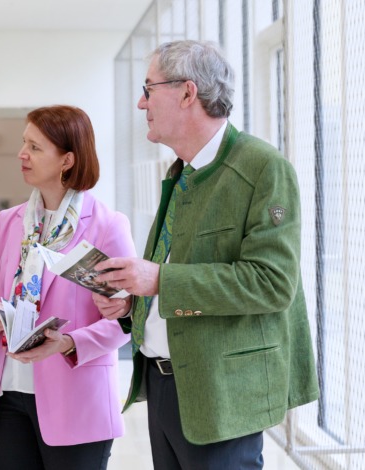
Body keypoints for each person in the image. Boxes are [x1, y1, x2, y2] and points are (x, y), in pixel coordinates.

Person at [92, 40, 319, 469]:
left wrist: (158, 281)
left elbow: (271, 284)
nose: (141, 103)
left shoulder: (262, 168)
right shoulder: (181, 172)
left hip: (223, 397)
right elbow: (180, 268)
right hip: (163, 388)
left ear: (187, 93)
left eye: (148, 88)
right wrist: (131, 304)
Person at [0, 105, 136, 470]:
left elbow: (126, 318)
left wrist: (68, 343)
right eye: (23, 143)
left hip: (76, 403)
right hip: (7, 395)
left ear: (67, 159)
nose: (22, 154)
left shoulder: (107, 225)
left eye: (34, 147)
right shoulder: (8, 222)